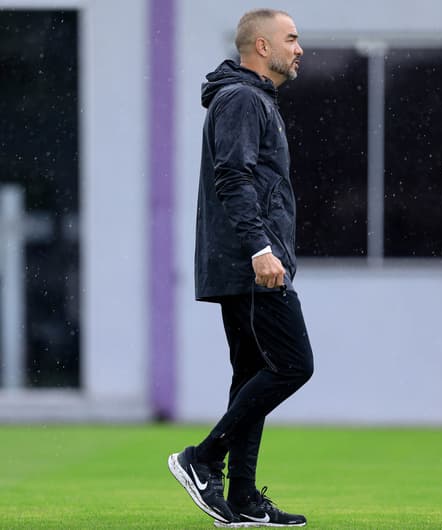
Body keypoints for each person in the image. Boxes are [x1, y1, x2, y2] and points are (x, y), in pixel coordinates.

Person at [168, 9, 314, 528]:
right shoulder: (243, 99)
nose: (299, 49)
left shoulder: (255, 100)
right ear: (260, 47)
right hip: (252, 266)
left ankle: (246, 497)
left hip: (251, 264)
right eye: (291, 39)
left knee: (253, 375)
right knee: (294, 365)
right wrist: (259, 249)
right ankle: (202, 458)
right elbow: (234, 178)